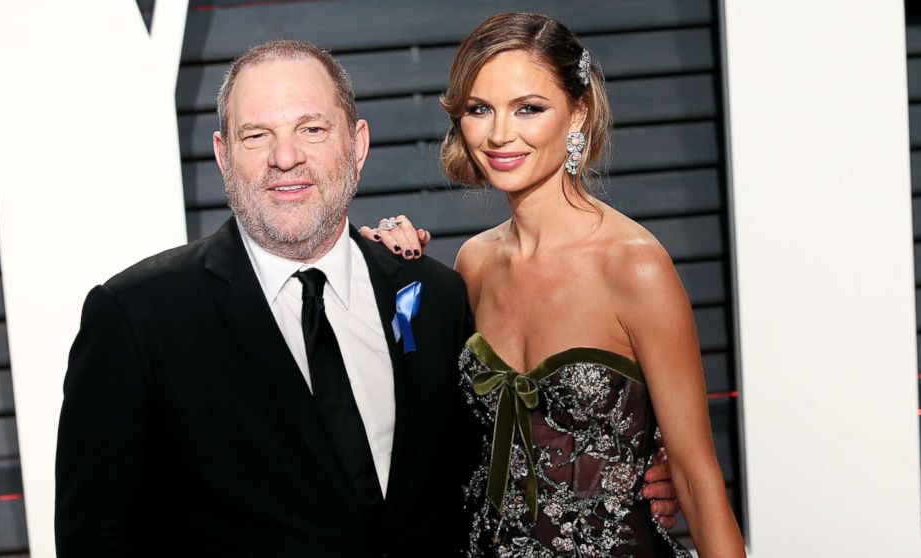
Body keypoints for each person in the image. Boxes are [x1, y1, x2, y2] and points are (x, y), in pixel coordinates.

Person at [55, 39, 679, 556]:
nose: (286, 158)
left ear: (355, 146)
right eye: (255, 136)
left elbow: (498, 452)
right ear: (223, 156)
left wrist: (634, 472)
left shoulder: (431, 296)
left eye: (311, 128)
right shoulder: (136, 318)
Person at [361, 12, 745, 557]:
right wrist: (395, 278)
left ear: (578, 112)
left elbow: (695, 479)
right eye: (479, 109)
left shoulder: (633, 266)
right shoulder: (473, 263)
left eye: (528, 109)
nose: (499, 134)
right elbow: (433, 433)